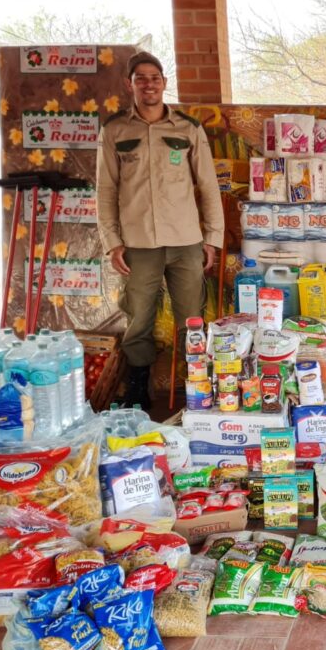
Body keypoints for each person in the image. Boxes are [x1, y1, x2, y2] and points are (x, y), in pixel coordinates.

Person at [96, 51, 224, 410]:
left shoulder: (187, 128)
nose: (149, 84)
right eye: (141, 78)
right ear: (130, 84)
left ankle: (197, 391)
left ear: (164, 83)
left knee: (192, 321)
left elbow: (209, 187)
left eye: (155, 77)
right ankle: (138, 392)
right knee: (138, 319)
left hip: (185, 241)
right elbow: (105, 190)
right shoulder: (115, 130)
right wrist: (112, 242)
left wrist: (212, 239)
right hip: (138, 244)